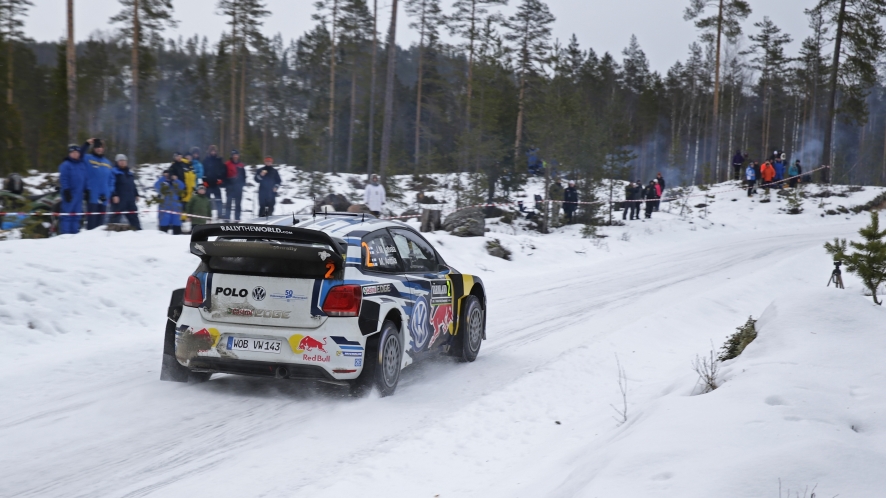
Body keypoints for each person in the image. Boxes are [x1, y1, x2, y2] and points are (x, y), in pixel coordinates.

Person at [82, 138, 114, 230]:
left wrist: (109, 193)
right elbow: (78, 155)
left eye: (101, 147)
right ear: (93, 148)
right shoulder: (88, 158)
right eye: (97, 147)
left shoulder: (108, 163)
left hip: (104, 197)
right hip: (92, 196)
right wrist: (87, 144)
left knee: (101, 225)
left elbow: (111, 179)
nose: (99, 149)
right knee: (92, 224)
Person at [58, 144, 88, 234]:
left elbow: (85, 178)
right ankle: (65, 234)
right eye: (73, 152)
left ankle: (75, 234)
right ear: (69, 153)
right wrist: (66, 190)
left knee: (77, 215)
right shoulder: (66, 165)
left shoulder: (82, 164)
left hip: (79, 194)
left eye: (77, 152)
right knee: (67, 215)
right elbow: (64, 179)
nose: (75, 154)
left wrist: (87, 189)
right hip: (70, 194)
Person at [109, 154, 141, 230]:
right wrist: (114, 195)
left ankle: (138, 231)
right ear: (117, 162)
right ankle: (112, 232)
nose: (122, 162)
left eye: (124, 160)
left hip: (130, 199)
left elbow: (133, 185)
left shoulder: (130, 173)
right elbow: (111, 184)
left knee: (134, 216)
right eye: (120, 161)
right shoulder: (114, 172)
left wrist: (136, 194)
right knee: (116, 217)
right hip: (119, 199)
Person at [154, 169, 185, 234]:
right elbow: (157, 187)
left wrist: (176, 179)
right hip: (164, 207)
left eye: (168, 175)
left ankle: (178, 238)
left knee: (177, 224)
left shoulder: (175, 184)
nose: (167, 176)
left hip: (176, 207)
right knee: (164, 225)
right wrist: (163, 178)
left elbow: (182, 187)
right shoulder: (162, 183)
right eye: (165, 175)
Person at [203, 145, 225, 217]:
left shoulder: (219, 160)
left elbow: (223, 170)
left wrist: (221, 179)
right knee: (207, 200)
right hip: (208, 183)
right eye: (211, 151)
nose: (213, 152)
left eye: (214, 151)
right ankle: (207, 214)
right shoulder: (206, 160)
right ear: (209, 152)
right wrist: (204, 181)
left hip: (216, 183)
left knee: (218, 199)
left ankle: (220, 214)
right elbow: (203, 171)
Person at [224, 150, 246, 221]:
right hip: (230, 187)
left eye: (237, 155)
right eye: (234, 155)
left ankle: (237, 218)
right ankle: (227, 218)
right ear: (232, 156)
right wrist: (227, 183)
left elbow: (244, 176)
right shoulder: (227, 164)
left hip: (238, 187)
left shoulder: (241, 165)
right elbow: (224, 175)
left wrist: (242, 184)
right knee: (229, 203)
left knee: (238, 204)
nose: (235, 156)